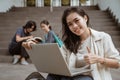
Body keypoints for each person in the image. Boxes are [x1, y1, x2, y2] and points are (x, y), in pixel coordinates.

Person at [55, 7, 119, 80]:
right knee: (52, 75)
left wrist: (99, 59)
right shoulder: (68, 43)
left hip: (90, 77)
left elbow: (117, 63)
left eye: (77, 20)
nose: (74, 26)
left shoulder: (103, 37)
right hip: (71, 76)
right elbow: (61, 63)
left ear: (85, 18)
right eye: (70, 24)